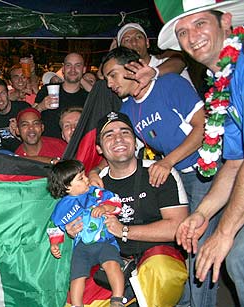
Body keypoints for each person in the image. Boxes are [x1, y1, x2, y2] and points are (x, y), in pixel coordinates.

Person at [101, 46, 224, 307]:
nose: (110, 84)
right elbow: (120, 147)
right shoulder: (128, 108)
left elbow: (204, 127)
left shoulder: (169, 85)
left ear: (132, 67)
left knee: (196, 242)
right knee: (185, 241)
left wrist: (167, 161)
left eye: (113, 75)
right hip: (179, 176)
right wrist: (93, 172)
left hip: (207, 170)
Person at [155, 0, 244, 305]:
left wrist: (224, 232)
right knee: (238, 259)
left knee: (238, 257)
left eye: (200, 24)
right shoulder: (224, 80)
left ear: (226, 22)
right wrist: (202, 214)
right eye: (182, 31)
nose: (192, 37)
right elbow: (234, 163)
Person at [67, 112, 189, 306]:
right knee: (73, 299)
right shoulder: (92, 185)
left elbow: (179, 228)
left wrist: (123, 230)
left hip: (158, 261)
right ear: (99, 148)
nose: (118, 138)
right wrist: (74, 230)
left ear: (135, 141)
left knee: (160, 271)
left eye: (125, 132)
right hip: (113, 264)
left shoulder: (158, 172)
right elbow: (73, 219)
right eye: (109, 135)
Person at [47, 159, 125, 307]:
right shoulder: (63, 207)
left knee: (112, 264)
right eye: (81, 178)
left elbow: (116, 201)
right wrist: (54, 243)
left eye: (85, 175)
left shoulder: (95, 192)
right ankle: (77, 304)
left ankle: (117, 299)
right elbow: (54, 225)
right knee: (76, 276)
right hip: (81, 247)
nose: (87, 179)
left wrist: (105, 208)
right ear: (67, 187)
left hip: (105, 241)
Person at [114, 22, 192, 96]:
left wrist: (154, 72)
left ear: (147, 43)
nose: (134, 43)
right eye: (127, 40)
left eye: (138, 37)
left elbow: (179, 62)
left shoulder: (165, 60)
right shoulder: (125, 79)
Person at [35, 53, 89, 139]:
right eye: (69, 65)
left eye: (77, 65)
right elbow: (30, 115)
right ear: (63, 69)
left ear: (84, 69)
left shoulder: (88, 98)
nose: (73, 70)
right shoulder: (46, 90)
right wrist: (40, 107)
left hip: (75, 148)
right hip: (48, 147)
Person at [0, 78, 29, 152]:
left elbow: (34, 140)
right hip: (6, 156)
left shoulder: (23, 109)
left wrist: (18, 132)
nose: (0, 99)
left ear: (8, 94)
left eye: (2, 93)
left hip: (27, 153)